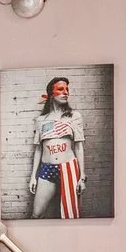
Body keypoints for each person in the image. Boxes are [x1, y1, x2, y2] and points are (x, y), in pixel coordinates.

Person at [28, 76, 84, 219]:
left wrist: (82, 177)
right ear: (51, 94)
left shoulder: (74, 116)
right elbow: (38, 149)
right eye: (60, 89)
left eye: (67, 89)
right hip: (47, 169)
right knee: (37, 214)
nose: (65, 92)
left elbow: (79, 146)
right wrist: (33, 177)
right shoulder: (41, 120)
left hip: (69, 167)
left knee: (71, 215)